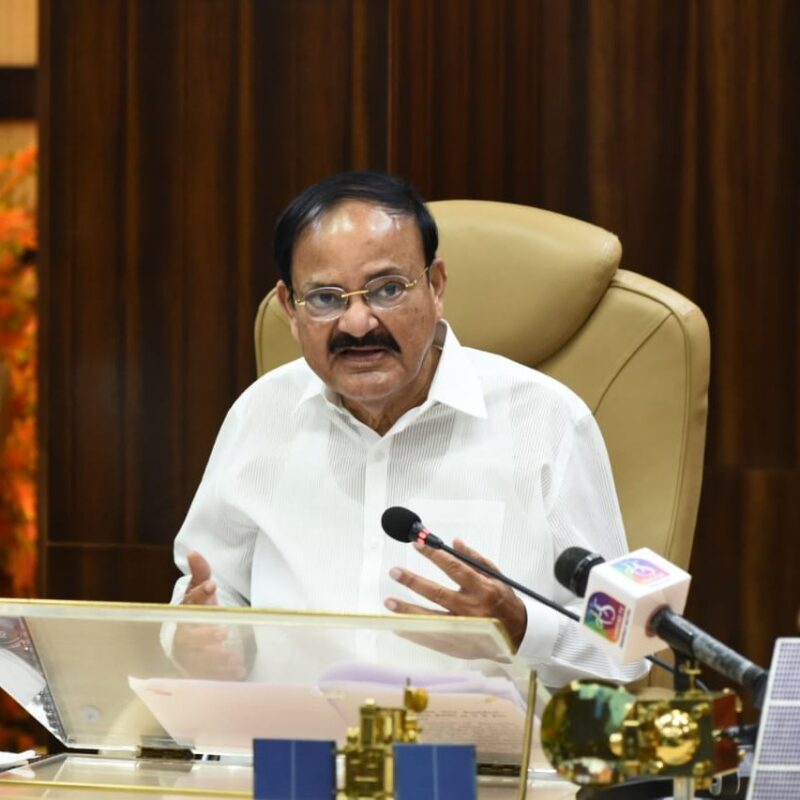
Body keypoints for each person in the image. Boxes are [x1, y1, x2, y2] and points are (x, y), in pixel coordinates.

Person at [170, 171, 647, 686]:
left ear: (436, 286)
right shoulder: (260, 414)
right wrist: (196, 643)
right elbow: (207, 594)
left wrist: (522, 627)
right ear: (290, 307)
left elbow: (626, 644)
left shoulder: (546, 419)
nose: (357, 324)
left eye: (388, 290)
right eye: (326, 298)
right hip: (291, 734)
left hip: (476, 739)